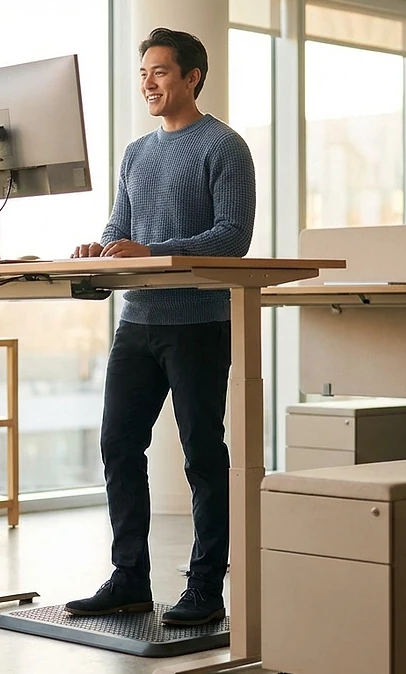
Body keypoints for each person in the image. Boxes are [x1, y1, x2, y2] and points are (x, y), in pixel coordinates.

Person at [62, 26, 256, 627]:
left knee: (202, 453)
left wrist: (152, 251)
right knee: (118, 444)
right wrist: (102, 250)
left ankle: (205, 587)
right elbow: (122, 226)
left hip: (199, 322)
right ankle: (129, 580)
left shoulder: (224, 147)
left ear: (192, 77)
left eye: (160, 72)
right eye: (144, 71)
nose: (148, 82)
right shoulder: (136, 153)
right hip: (138, 322)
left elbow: (232, 237)